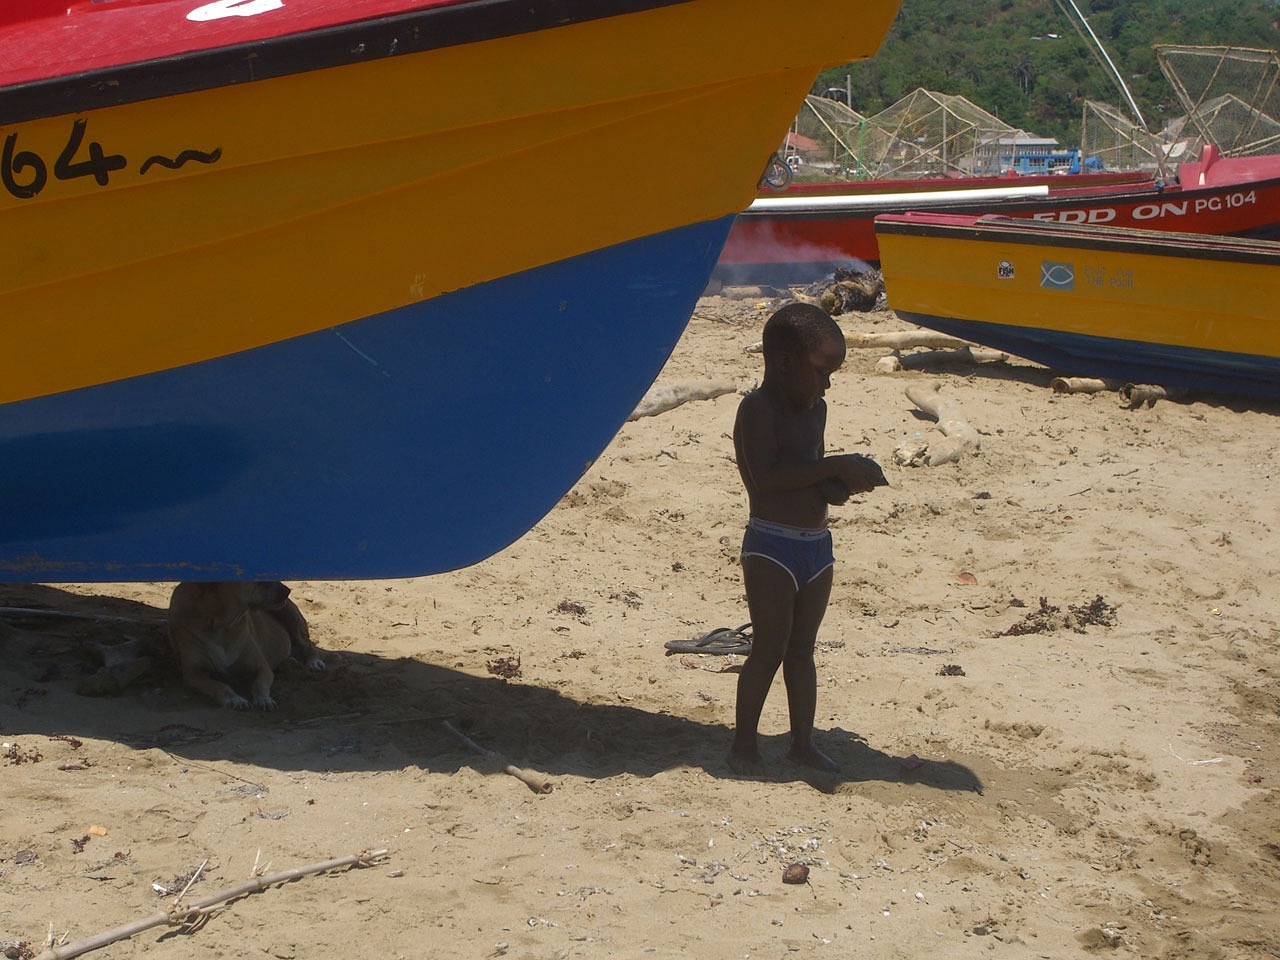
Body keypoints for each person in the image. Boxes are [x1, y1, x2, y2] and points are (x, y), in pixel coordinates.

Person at [728, 302, 886, 776]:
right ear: (785, 363)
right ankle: (742, 746)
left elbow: (808, 476)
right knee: (769, 647)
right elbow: (766, 481)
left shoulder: (816, 410)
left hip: (815, 547)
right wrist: (834, 466)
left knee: (802, 651)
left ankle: (802, 743)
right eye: (822, 371)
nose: (827, 384)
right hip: (771, 546)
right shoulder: (757, 410)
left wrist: (842, 484)